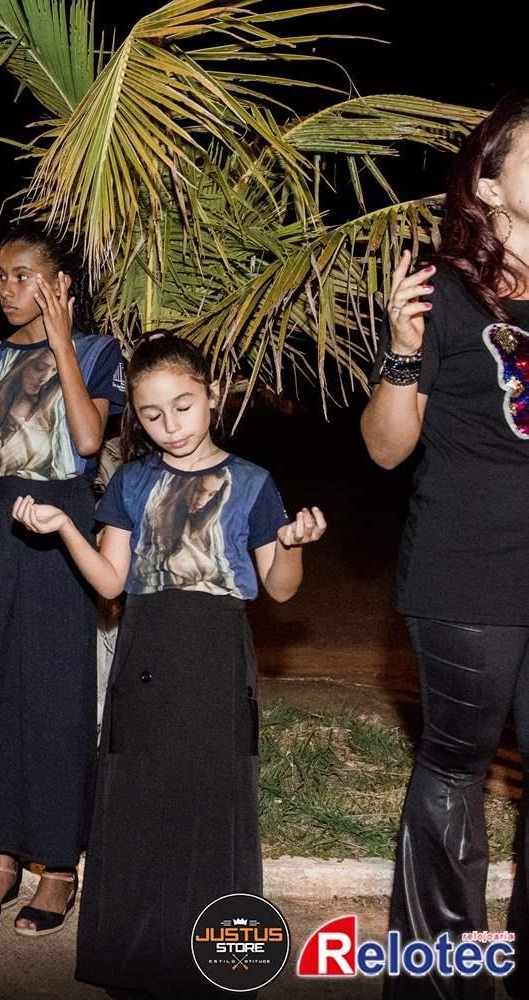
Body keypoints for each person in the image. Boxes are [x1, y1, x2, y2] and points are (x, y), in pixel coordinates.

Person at [14, 335, 324, 996]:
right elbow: (109, 582)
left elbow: (280, 589)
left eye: (183, 406)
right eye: (153, 415)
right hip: (146, 652)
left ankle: (214, 961)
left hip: (216, 653)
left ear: (213, 394)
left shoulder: (253, 483)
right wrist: (64, 528)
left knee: (212, 800)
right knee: (136, 799)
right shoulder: (132, 482)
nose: (171, 425)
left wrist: (293, 544)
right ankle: (130, 960)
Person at [361, 90, 529, 1000]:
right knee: (456, 771)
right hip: (468, 572)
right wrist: (399, 347)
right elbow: (387, 448)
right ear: (491, 186)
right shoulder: (444, 289)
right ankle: (439, 980)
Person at [0, 223, 125, 935]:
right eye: (2, 276)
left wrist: (61, 340)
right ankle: (2, 858)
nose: (6, 289)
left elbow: (88, 440)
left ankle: (58, 865)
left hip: (60, 525)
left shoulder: (97, 351)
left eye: (22, 275)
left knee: (54, 692)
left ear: (60, 284)